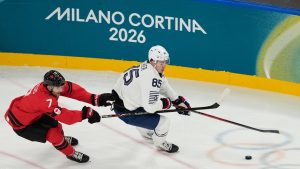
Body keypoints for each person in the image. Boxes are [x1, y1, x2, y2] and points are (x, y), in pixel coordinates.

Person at [4, 70, 115, 163]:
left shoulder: (51, 86)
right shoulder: (44, 100)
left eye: (62, 85)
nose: (62, 89)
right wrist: (86, 114)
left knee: (57, 126)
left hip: (33, 114)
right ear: (50, 87)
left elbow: (72, 90)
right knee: (54, 135)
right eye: (59, 87)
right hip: (22, 125)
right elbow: (66, 117)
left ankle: (62, 141)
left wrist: (95, 99)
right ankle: (70, 153)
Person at [112, 45, 191, 153]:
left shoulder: (147, 66)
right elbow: (150, 108)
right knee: (164, 123)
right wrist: (167, 103)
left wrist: (177, 100)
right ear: (153, 61)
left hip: (124, 104)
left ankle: (145, 133)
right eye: (161, 62)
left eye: (165, 61)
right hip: (127, 111)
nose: (164, 65)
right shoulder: (150, 76)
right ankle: (160, 143)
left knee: (144, 104)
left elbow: (164, 86)